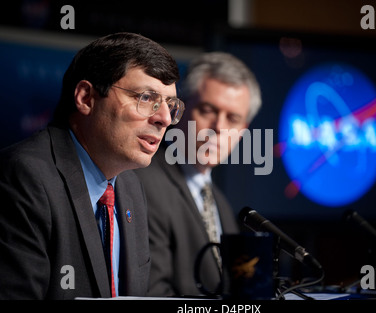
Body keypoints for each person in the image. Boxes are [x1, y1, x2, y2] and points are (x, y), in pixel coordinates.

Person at [0, 32, 184, 299]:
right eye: (146, 98)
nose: (164, 119)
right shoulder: (24, 176)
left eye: (170, 105)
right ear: (86, 98)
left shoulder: (130, 187)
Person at [135, 52, 262, 297]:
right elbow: (152, 293)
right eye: (207, 110)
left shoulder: (221, 204)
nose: (219, 128)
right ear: (178, 109)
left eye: (233, 119)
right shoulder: (144, 181)